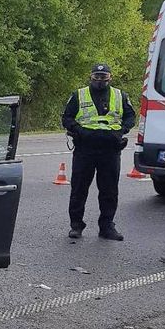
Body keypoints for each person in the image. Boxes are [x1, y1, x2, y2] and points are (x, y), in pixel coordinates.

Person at [61, 63, 136, 241]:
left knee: (109, 190)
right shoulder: (79, 95)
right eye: (96, 76)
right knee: (79, 189)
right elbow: (67, 117)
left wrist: (121, 131)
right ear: (91, 77)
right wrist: (79, 131)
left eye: (103, 77)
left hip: (110, 149)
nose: (100, 80)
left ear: (110, 77)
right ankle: (76, 225)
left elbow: (131, 116)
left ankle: (107, 226)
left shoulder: (120, 95)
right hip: (85, 148)